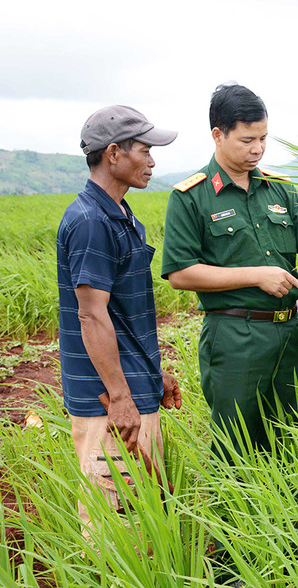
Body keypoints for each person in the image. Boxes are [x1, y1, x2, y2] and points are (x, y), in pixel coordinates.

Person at [161, 84, 298, 461]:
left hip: (287, 333)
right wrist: (255, 275)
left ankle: (278, 513)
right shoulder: (191, 196)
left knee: (282, 436)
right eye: (247, 140)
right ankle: (233, 511)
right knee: (236, 441)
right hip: (234, 334)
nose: (257, 149)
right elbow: (181, 272)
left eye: (262, 138)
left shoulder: (280, 189)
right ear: (218, 134)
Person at [57, 105, 182, 534]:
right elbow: (91, 317)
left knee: (142, 513)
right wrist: (121, 395)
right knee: (114, 522)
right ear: (113, 153)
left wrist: (152, 375)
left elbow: (123, 313)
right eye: (144, 151)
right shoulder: (91, 221)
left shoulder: (123, 216)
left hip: (131, 384)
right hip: (108, 399)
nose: (151, 161)